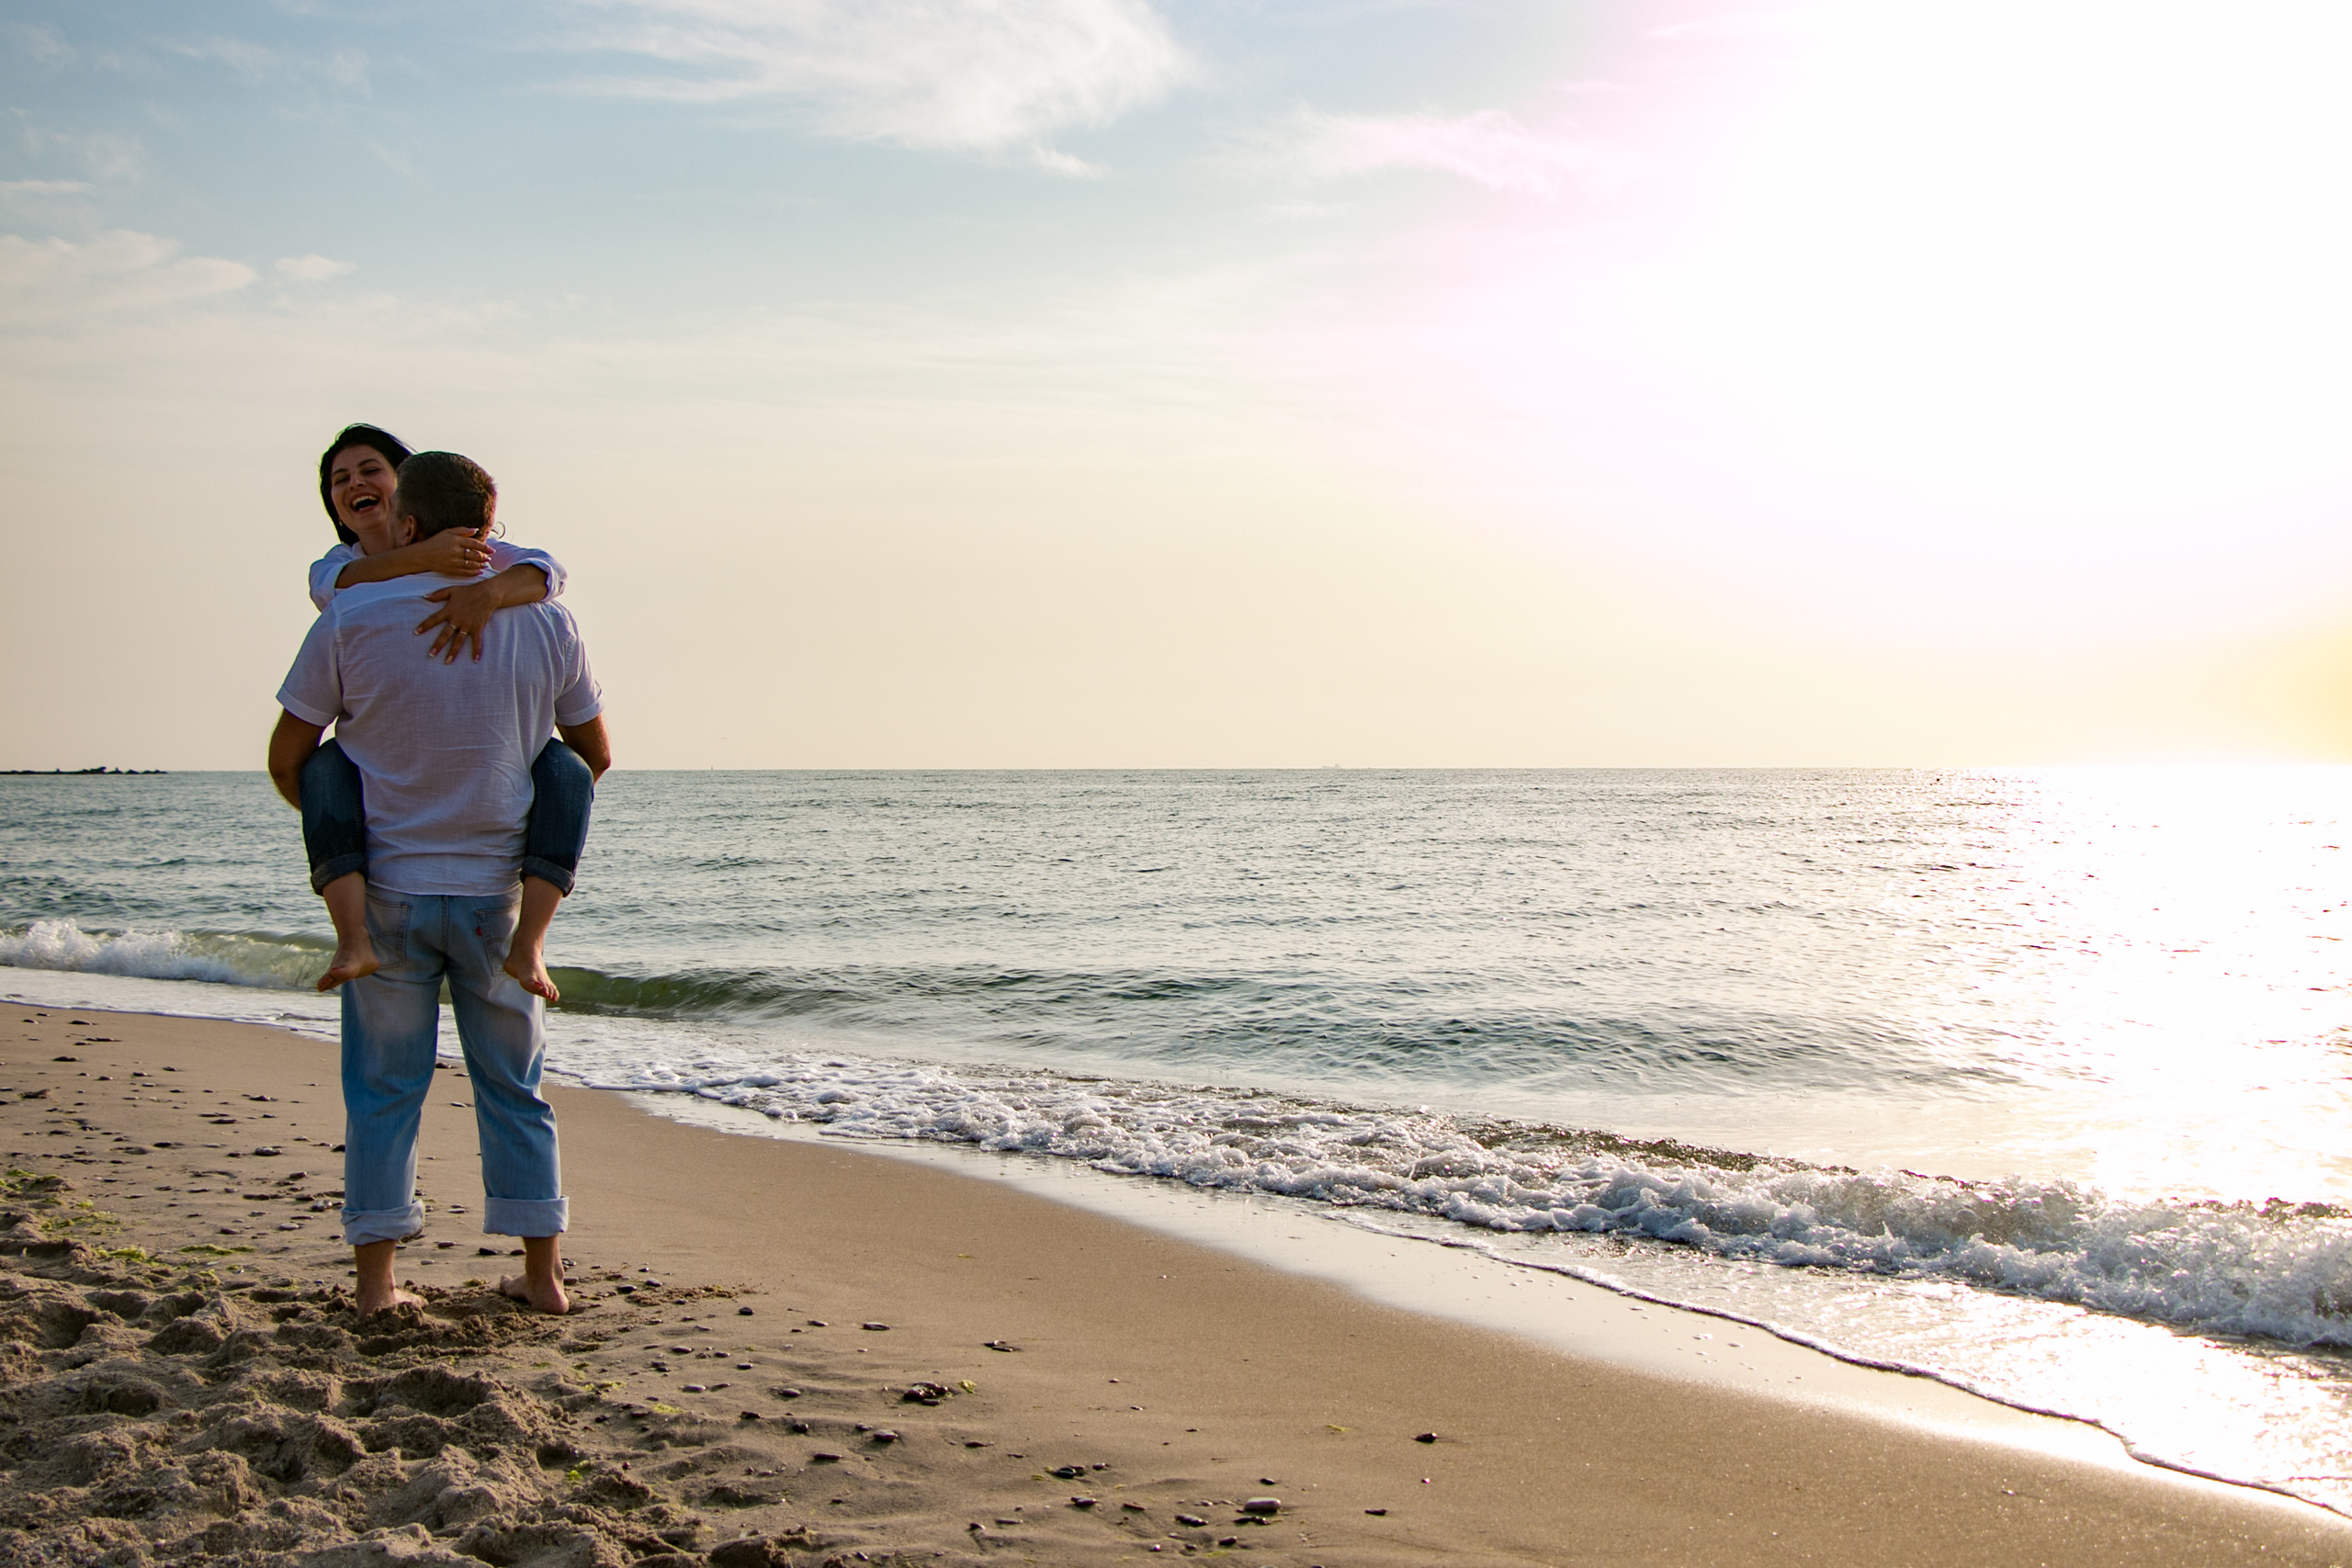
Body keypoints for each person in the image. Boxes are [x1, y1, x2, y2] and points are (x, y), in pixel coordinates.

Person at [267, 451, 609, 1316]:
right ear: (491, 521)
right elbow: (591, 755)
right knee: (516, 1086)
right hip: (500, 892)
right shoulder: (551, 622)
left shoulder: (349, 615)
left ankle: (379, 1288)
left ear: (407, 523)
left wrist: (352, 813)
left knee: (384, 1090)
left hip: (388, 890)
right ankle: (542, 1277)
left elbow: (290, 758)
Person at [300, 424, 593, 1001]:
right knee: (326, 766)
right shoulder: (344, 572)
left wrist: (489, 593)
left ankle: (531, 942)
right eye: (340, 479)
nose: (355, 483)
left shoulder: (482, 557)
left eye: (369, 470)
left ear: (404, 487)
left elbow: (548, 569)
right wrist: (419, 558)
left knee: (564, 768)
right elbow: (333, 585)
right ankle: (352, 935)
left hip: (478, 820)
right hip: (390, 768)